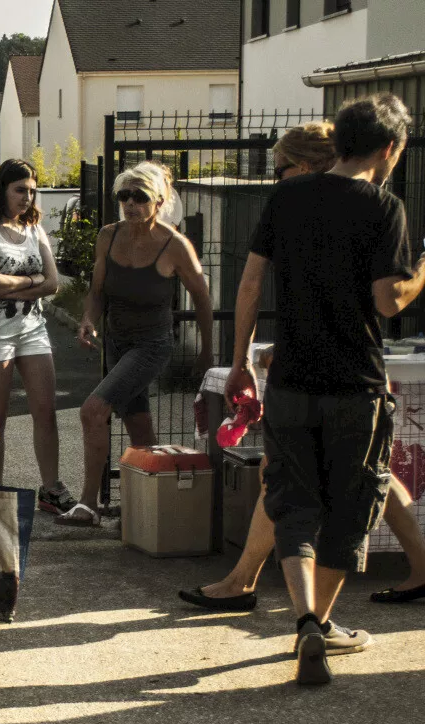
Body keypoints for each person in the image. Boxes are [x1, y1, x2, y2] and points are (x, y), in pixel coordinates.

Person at [181, 123, 425, 620]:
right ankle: (290, 604)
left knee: (301, 489)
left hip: (318, 377)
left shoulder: (328, 204)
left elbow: (369, 298)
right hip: (349, 380)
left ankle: (280, 602)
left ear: (310, 164)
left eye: (281, 169)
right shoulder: (368, 206)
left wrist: (247, 356)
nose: (276, 180)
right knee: (362, 483)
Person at [62, 161, 214, 526]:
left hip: (152, 344)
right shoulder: (108, 236)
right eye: (124, 195)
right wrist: (87, 320)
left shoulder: (174, 245)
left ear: (159, 201)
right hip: (116, 341)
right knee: (140, 426)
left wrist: (208, 351)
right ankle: (148, 506)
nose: (130, 203)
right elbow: (97, 292)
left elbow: (203, 298)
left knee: (93, 410)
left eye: (140, 196)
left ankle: (88, 505)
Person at [0, 158, 75, 514]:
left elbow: (53, 283)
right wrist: (33, 284)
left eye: (32, 191)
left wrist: (15, 287)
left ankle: (51, 488)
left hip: (32, 331)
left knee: (45, 411)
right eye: (20, 190)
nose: (27, 197)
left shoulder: (34, 231)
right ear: (2, 189)